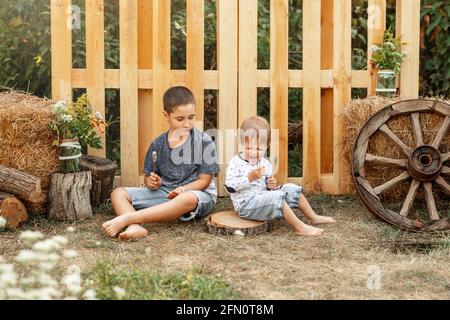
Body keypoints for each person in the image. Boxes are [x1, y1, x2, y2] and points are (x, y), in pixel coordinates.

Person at [103, 86, 219, 240]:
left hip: (197, 195)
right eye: (180, 119)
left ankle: (129, 219)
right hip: (166, 193)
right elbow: (149, 177)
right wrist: (151, 182)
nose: (187, 124)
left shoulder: (204, 142)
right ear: (166, 115)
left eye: (191, 118)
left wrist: (183, 189)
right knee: (118, 193)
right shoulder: (158, 144)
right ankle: (135, 227)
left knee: (186, 198)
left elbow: (205, 181)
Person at [225, 116, 335, 236]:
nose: (253, 152)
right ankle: (299, 227)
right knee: (275, 197)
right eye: (248, 148)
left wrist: (271, 184)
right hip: (246, 205)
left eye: (258, 149)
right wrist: (249, 178)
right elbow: (230, 187)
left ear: (266, 147)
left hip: (263, 197)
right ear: (242, 143)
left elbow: (267, 186)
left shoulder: (265, 163)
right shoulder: (235, 162)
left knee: (291, 188)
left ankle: (313, 217)